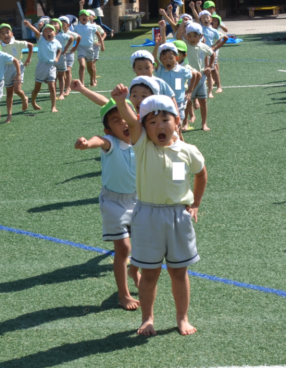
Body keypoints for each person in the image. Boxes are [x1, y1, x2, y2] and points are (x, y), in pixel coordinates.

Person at [112, 89, 207, 336]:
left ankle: (182, 318)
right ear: (144, 128)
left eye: (166, 119)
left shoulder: (188, 151)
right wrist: (122, 102)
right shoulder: (143, 146)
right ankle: (147, 319)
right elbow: (132, 120)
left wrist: (195, 203)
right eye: (152, 122)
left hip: (178, 217)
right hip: (148, 216)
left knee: (179, 272)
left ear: (177, 121)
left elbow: (200, 173)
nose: (159, 126)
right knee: (150, 273)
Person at [75, 98, 141, 309]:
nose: (122, 122)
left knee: (140, 245)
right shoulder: (111, 143)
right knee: (123, 248)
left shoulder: (141, 142)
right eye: (115, 120)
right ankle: (124, 295)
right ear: (108, 130)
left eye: (124, 117)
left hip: (139, 200)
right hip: (114, 203)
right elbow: (98, 141)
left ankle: (134, 270)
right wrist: (87, 144)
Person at [153, 34, 198, 130]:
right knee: (165, 123)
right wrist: (157, 45)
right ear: (160, 60)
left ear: (176, 58)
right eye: (164, 59)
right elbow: (153, 59)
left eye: (170, 58)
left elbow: (194, 75)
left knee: (178, 123)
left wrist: (190, 91)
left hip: (178, 102)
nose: (167, 61)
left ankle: (179, 139)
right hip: (163, 103)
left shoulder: (182, 70)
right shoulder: (160, 70)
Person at [182, 22, 217, 131]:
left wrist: (210, 66)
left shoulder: (203, 46)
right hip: (188, 77)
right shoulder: (185, 45)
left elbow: (213, 54)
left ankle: (204, 124)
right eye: (189, 36)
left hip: (201, 78)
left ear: (201, 36)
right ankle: (185, 123)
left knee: (203, 101)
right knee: (187, 101)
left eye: (195, 36)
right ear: (186, 36)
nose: (192, 39)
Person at [24, 20, 63, 113]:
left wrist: (57, 57)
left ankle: (53, 106)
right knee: (37, 88)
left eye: (51, 31)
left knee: (52, 86)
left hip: (52, 66)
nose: (48, 33)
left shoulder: (56, 42)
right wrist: (29, 25)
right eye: (46, 31)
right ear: (43, 33)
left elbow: (59, 49)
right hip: (41, 66)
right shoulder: (41, 39)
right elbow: (36, 32)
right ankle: (33, 101)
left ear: (55, 33)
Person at [0, 23, 32, 118]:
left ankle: (24, 98)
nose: (5, 35)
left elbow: (31, 45)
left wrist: (28, 58)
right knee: (9, 92)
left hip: (18, 67)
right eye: (2, 33)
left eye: (7, 32)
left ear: (12, 34)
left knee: (17, 89)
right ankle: (9, 115)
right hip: (6, 68)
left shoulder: (17, 43)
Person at [75, 4, 105, 87]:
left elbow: (99, 35)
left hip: (90, 48)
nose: (83, 17)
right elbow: (73, 36)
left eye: (85, 15)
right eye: (81, 15)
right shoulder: (76, 27)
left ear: (89, 18)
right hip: (81, 48)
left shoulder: (92, 26)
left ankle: (92, 79)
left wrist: (102, 44)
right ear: (79, 18)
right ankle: (81, 83)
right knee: (82, 65)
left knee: (90, 67)